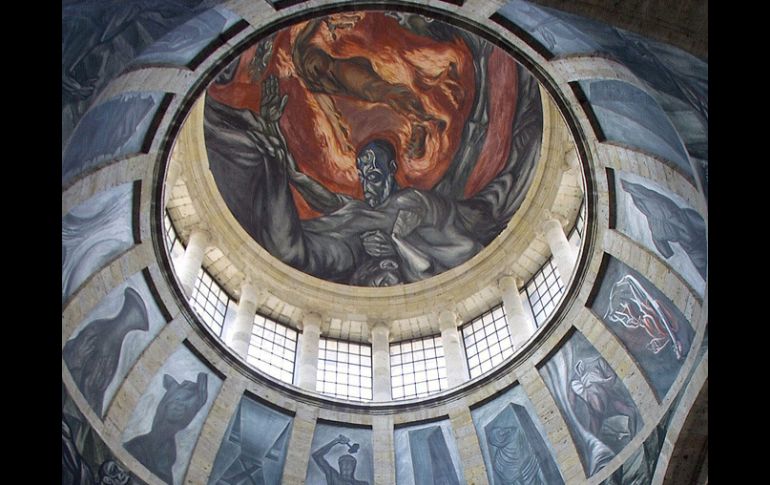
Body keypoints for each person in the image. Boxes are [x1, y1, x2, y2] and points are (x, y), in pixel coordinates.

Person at [204, 59, 542, 286]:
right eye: (362, 172)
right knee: (288, 248)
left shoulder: (411, 201)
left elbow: (425, 228)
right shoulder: (363, 208)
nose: (366, 177)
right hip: (346, 239)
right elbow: (329, 199)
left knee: (288, 251)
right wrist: (291, 169)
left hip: (362, 244)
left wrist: (396, 239)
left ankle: (265, 158)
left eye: (373, 170)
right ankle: (266, 155)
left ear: (392, 169)